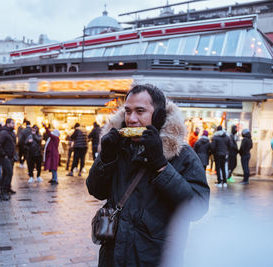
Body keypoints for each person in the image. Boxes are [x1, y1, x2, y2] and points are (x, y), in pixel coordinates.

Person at [86, 84, 210, 266]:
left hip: (154, 258)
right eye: (127, 111)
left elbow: (197, 207)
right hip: (113, 257)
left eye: (140, 111)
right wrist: (106, 158)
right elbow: (95, 190)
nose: (132, 119)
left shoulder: (182, 154)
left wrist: (161, 165)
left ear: (159, 116)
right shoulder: (119, 147)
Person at [0, 118, 17, 201]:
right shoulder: (4, 133)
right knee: (9, 173)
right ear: (7, 124)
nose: (13, 125)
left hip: (11, 157)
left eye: (13, 123)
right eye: (12, 123)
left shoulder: (11, 132)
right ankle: (3, 192)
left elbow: (13, 144)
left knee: (6, 173)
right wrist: (4, 155)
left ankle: (3, 187)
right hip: (5, 157)